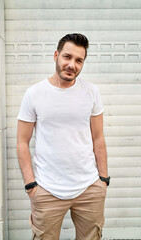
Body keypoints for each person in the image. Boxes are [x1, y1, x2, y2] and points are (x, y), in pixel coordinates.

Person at [17, 33, 110, 240]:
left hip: (89, 188)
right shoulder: (34, 93)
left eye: (79, 60)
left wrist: (103, 180)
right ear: (56, 55)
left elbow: (98, 137)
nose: (72, 65)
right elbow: (22, 142)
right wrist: (31, 185)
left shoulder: (91, 92)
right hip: (47, 190)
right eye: (67, 57)